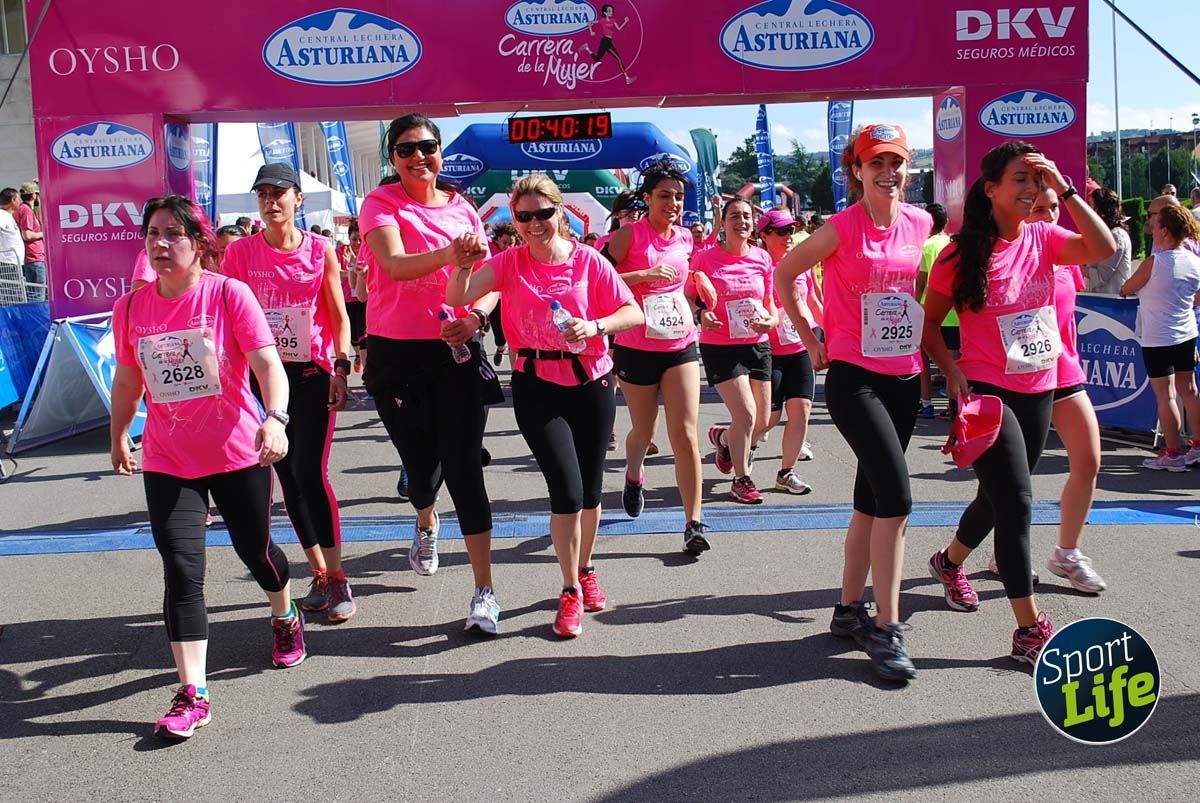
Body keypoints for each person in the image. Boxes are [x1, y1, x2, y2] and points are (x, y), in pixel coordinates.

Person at [109, 195, 302, 739]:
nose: (161, 243)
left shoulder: (228, 295)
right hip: (169, 458)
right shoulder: (132, 308)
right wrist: (120, 432)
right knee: (182, 570)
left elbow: (268, 365)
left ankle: (284, 614)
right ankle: (193, 691)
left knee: (256, 552)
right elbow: (128, 381)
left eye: (173, 233)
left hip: (238, 451)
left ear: (200, 244)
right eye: (153, 233)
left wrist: (277, 419)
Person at [923, 141, 1115, 665]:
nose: (1033, 190)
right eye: (1021, 180)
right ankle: (1029, 629)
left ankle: (948, 560)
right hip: (988, 395)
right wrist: (953, 369)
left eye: (1038, 180)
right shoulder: (958, 254)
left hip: (1041, 387)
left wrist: (1067, 188)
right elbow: (931, 326)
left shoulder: (1045, 237)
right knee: (1018, 503)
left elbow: (1103, 250)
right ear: (991, 190)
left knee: (998, 496)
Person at [448, 173, 642, 637]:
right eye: (524, 216)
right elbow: (457, 297)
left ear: (561, 212)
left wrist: (594, 327)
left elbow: (633, 312)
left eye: (543, 214)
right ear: (514, 219)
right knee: (568, 493)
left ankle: (587, 567)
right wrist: (463, 265)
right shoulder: (510, 262)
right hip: (537, 387)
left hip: (590, 383)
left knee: (592, 491)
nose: (535, 223)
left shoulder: (589, 262)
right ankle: (570, 588)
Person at [775, 123, 930, 681]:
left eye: (896, 163)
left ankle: (847, 609)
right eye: (877, 164)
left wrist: (933, 364)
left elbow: (918, 296)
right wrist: (812, 338)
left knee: (870, 499)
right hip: (853, 378)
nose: (888, 173)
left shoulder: (921, 224)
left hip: (904, 377)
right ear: (857, 171)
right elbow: (785, 274)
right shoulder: (840, 229)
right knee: (897, 498)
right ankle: (888, 628)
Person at [360, 113, 501, 633]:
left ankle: (484, 590)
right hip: (396, 355)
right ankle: (425, 516)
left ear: (441, 151)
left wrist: (477, 316)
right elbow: (394, 265)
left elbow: (491, 278)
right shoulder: (380, 204)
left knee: (465, 467)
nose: (419, 157)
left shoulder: (463, 207)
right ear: (393, 160)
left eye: (428, 146)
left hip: (455, 352)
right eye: (406, 150)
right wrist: (449, 253)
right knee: (421, 470)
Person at [221, 163, 356, 622]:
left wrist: (341, 366)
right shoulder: (239, 254)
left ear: (299, 199)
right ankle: (320, 573)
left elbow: (338, 316)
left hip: (311, 374)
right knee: (288, 478)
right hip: (263, 380)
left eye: (280, 193)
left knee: (310, 471)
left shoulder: (321, 251)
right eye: (263, 194)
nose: (271, 201)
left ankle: (338, 578)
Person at [603, 160, 710, 553]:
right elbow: (599, 279)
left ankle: (693, 522)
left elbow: (686, 283)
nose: (673, 203)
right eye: (664, 195)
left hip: (680, 343)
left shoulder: (685, 237)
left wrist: (700, 303)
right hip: (636, 346)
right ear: (647, 198)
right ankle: (634, 473)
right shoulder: (629, 237)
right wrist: (643, 277)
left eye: (679, 196)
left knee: (685, 434)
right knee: (644, 432)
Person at [695, 199, 778, 503]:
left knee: (764, 419)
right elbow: (690, 298)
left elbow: (769, 302)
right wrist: (702, 314)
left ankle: (724, 438)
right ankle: (741, 479)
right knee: (745, 413)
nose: (741, 221)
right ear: (724, 223)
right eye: (734, 217)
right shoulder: (706, 259)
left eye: (746, 217)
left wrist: (771, 320)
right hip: (721, 346)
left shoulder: (762, 258)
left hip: (758, 344)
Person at [1120, 204, 1200, 471]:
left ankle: (1174, 452)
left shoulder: (1155, 262)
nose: (1151, 230)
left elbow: (1127, 288)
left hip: (1158, 338)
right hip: (1186, 333)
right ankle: (1196, 447)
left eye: (1154, 226)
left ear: (1164, 231)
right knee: (1189, 391)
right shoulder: (1193, 260)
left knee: (1165, 396)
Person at [758, 209, 820, 493]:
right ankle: (727, 441)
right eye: (781, 232)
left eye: (791, 231)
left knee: (802, 411)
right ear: (765, 235)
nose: (788, 237)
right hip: (769, 350)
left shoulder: (802, 265)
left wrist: (825, 334)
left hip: (799, 347)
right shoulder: (758, 266)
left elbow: (814, 300)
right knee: (768, 419)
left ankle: (786, 472)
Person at [915, 203, 951, 417]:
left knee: (924, 360)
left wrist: (912, 307)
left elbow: (921, 283)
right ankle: (954, 408)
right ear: (946, 222)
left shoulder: (926, 246)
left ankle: (927, 403)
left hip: (929, 314)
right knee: (954, 363)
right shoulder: (954, 243)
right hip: (955, 314)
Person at [1083, 189, 1132, 294]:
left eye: (1091, 205)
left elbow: (1101, 276)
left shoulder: (1117, 236)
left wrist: (1074, 266)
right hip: (1099, 300)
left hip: (1112, 302)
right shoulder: (1101, 235)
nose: (1087, 209)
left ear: (1102, 210)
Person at [339, 220, 368, 372]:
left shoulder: (367, 251)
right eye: (354, 239)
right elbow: (336, 272)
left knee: (363, 334)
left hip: (364, 299)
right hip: (347, 299)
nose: (357, 242)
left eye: (359, 239)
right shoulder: (341, 252)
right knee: (353, 337)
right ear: (348, 238)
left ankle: (366, 372)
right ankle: (357, 354)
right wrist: (350, 269)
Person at [488, 221, 518, 366]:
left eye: (511, 243)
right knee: (499, 337)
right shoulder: (489, 251)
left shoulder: (517, 254)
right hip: (494, 299)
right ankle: (500, 348)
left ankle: (516, 374)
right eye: (505, 242)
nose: (508, 246)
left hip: (512, 301)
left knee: (514, 337)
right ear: (497, 239)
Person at [583, 4, 634, 84]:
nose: (611, 12)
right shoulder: (602, 20)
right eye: (609, 11)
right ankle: (627, 78)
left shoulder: (613, 20)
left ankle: (587, 48)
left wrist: (625, 22)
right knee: (618, 59)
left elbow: (619, 28)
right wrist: (591, 31)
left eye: (611, 11)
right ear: (605, 12)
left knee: (597, 59)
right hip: (605, 41)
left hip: (609, 41)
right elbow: (589, 22)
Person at [14, 181, 45, 302]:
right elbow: (27, 235)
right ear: (33, 195)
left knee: (35, 294)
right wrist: (45, 234)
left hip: (32, 257)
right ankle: (37, 321)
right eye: (37, 194)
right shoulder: (26, 210)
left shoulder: (24, 209)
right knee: (38, 295)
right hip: (34, 257)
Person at [0, 188, 25, 298]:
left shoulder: (7, 216)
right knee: (14, 296)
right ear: (13, 200)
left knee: (16, 295)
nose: (20, 201)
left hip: (14, 263)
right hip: (8, 263)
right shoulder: (2, 215)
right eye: (18, 198)